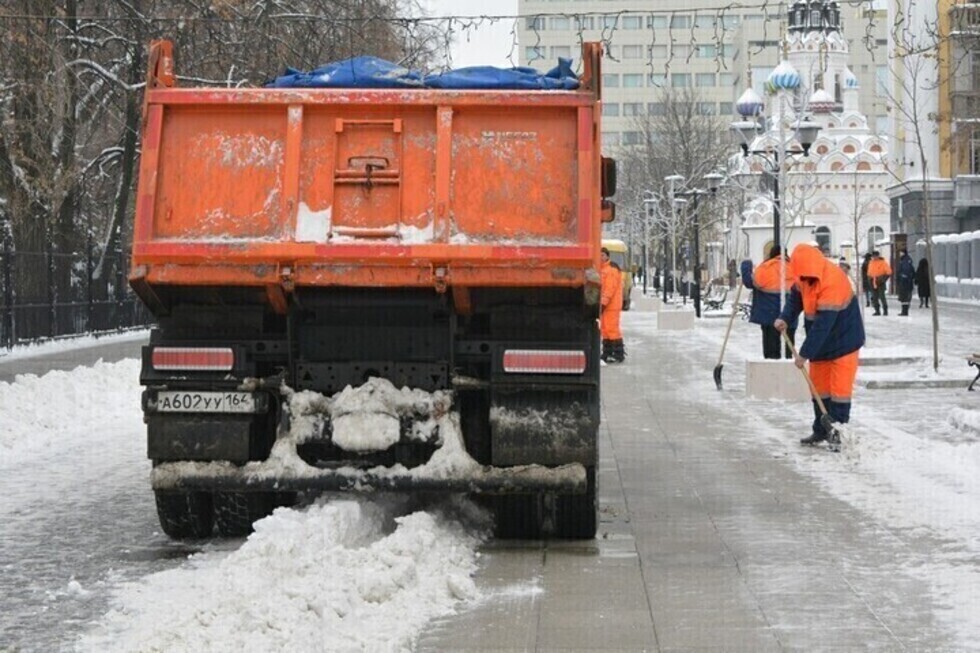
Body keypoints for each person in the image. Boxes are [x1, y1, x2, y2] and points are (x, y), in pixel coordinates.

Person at [775, 243, 866, 447]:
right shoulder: (803, 276)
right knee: (819, 389)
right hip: (821, 345)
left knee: (839, 392)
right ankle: (821, 430)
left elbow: (823, 325)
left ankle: (838, 433)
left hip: (845, 342)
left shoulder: (833, 281)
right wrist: (785, 318)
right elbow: (795, 300)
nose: (803, 280)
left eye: (806, 277)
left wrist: (804, 354)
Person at [740, 246, 798, 359]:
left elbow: (749, 282)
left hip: (769, 317)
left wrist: (746, 265)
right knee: (788, 350)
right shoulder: (794, 268)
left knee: (771, 353)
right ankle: (787, 370)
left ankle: (772, 372)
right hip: (789, 317)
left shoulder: (766, 268)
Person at [600, 248, 625, 363]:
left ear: (607, 256)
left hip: (612, 305)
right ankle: (607, 352)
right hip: (606, 305)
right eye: (599, 255)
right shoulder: (602, 269)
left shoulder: (611, 270)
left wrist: (604, 302)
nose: (601, 257)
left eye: (603, 255)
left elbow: (610, 288)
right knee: (605, 329)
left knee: (612, 329)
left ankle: (618, 353)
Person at [867, 250, 891, 316]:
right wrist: (869, 279)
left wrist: (883, 279)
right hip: (872, 281)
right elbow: (869, 272)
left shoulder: (883, 262)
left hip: (880, 281)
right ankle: (877, 310)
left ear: (878, 256)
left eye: (875, 256)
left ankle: (885, 310)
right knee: (874, 297)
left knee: (882, 296)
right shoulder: (871, 263)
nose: (874, 257)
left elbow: (889, 272)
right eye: (873, 256)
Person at [896, 249, 915, 316]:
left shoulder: (905, 260)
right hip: (906, 282)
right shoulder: (906, 260)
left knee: (904, 297)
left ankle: (904, 311)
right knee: (905, 297)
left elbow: (906, 271)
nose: (899, 254)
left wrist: (902, 277)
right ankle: (904, 311)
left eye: (900, 252)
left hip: (905, 282)